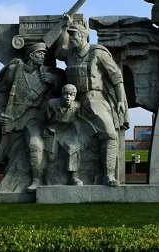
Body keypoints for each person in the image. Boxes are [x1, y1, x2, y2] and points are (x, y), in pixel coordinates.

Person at [55, 18, 129, 186]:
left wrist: (120, 100)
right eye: (70, 36)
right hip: (74, 102)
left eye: (73, 36)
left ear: (83, 36)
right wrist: (65, 26)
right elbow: (59, 51)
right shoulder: (70, 54)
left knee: (109, 134)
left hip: (95, 100)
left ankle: (109, 175)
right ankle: (74, 177)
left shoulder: (97, 52)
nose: (71, 39)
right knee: (71, 141)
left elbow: (116, 77)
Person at [0, 42, 65, 192]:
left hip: (35, 118)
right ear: (31, 55)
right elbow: (2, 93)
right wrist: (1, 113)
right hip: (14, 119)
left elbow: (64, 85)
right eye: (40, 53)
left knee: (36, 145)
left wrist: (53, 81)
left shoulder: (47, 73)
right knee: (10, 157)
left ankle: (37, 180)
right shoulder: (15, 70)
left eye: (44, 54)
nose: (43, 56)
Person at [45, 84, 84, 186]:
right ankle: (43, 178)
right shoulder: (51, 104)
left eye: (71, 95)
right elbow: (44, 120)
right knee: (49, 157)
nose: (68, 97)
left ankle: (74, 177)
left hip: (66, 133)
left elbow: (78, 122)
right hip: (51, 131)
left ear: (74, 96)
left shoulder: (77, 106)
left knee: (73, 149)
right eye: (66, 94)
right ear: (61, 94)